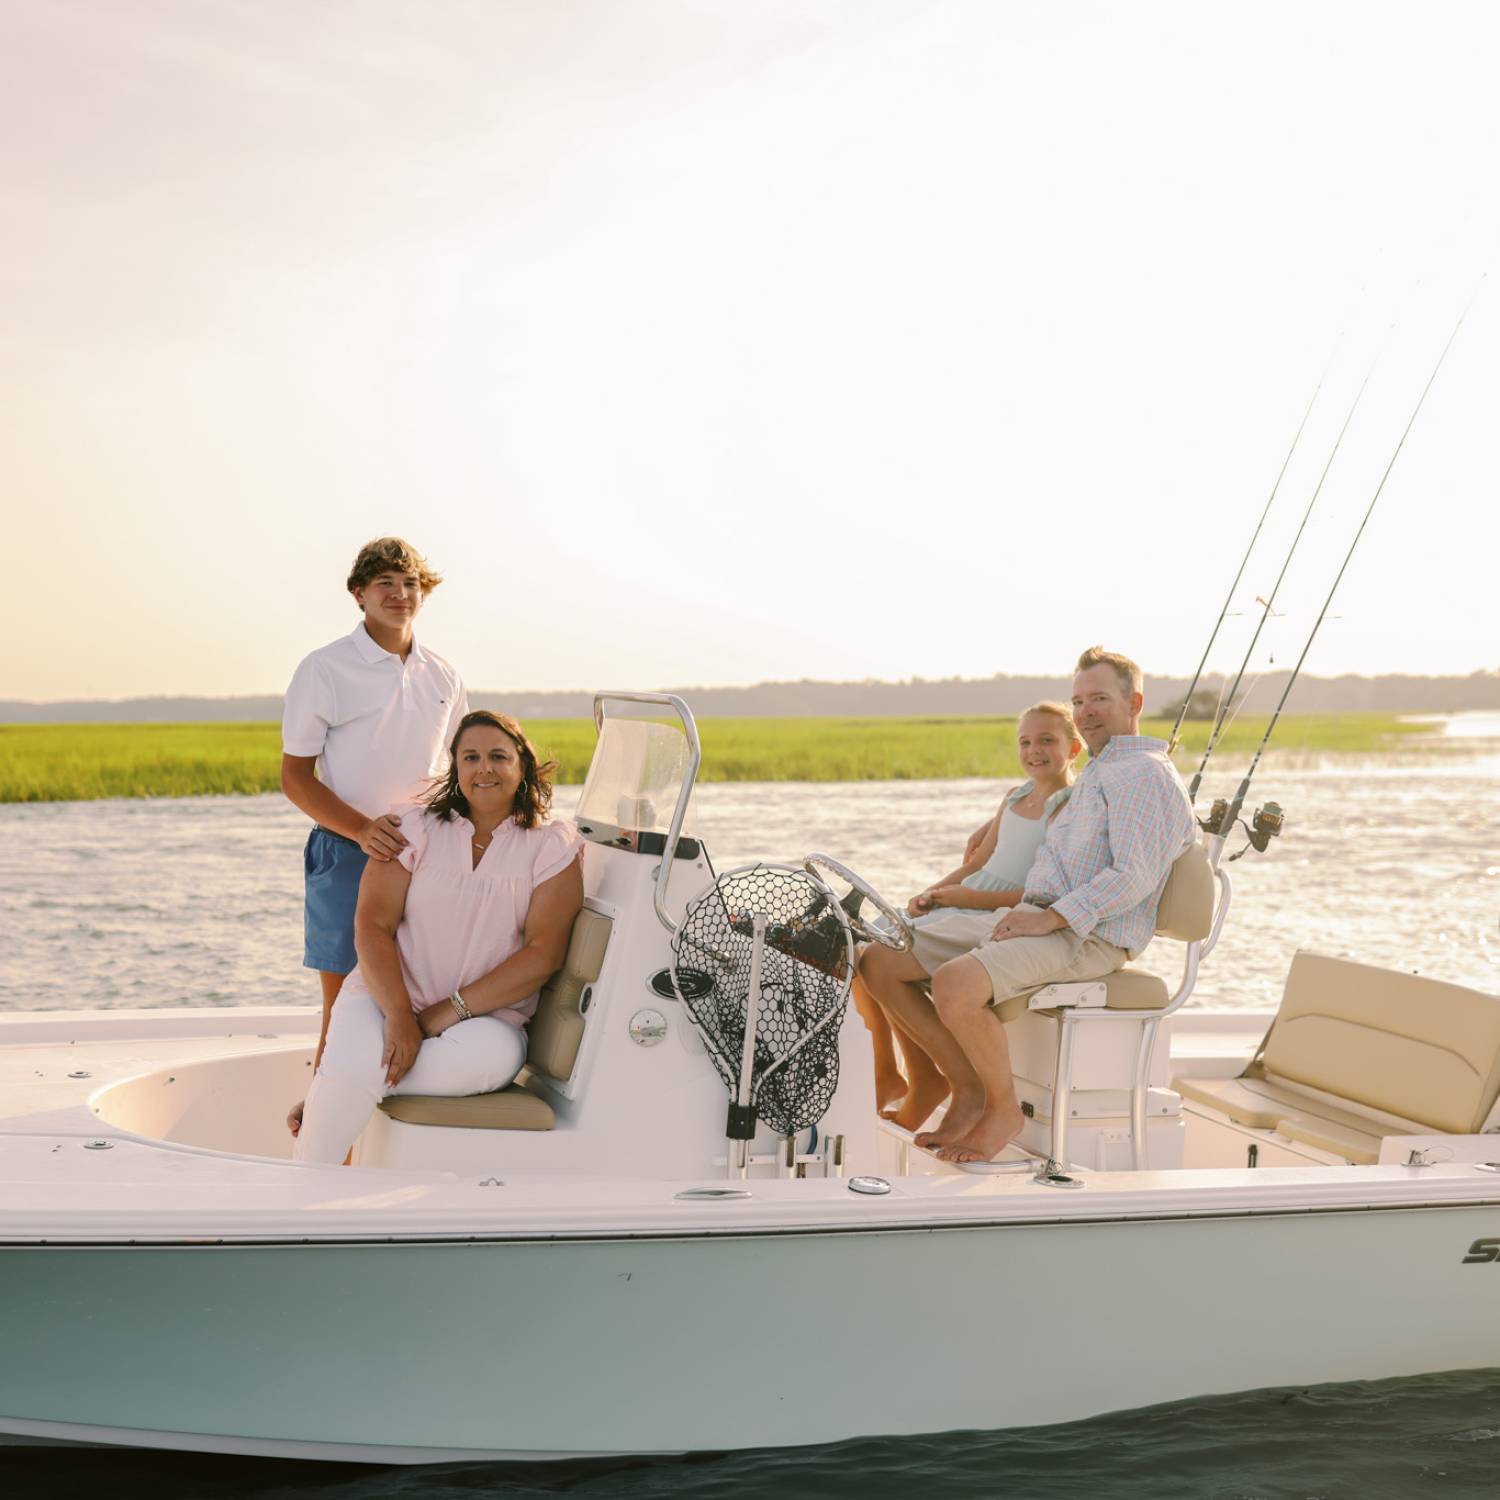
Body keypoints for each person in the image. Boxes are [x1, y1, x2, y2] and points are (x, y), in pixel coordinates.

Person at [860, 647, 1195, 1163]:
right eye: (1079, 700)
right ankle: (961, 1086)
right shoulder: (1103, 771)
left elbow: (1134, 875)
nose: (1086, 711)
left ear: (1135, 703)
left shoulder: (1144, 775)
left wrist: (1049, 917)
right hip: (1037, 919)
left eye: (1100, 699)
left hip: (1089, 935)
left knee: (955, 982)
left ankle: (1001, 1108)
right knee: (879, 960)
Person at [293, 711, 583, 1165]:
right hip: (381, 999)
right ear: (455, 768)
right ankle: (305, 1184)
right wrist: (398, 1016)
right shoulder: (412, 829)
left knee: (473, 1061)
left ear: (522, 765)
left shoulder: (551, 847)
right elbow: (372, 927)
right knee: (355, 1063)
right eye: (470, 757)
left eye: (498, 757)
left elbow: (541, 956)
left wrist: (431, 1021)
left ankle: (334, 1084)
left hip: (486, 1022)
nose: (483, 768)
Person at [281, 538, 467, 1137]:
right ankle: (321, 1132)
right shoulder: (324, 668)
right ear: (359, 594)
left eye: (410, 583)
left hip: (427, 856)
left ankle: (396, 1133)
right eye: (385, 582)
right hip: (348, 852)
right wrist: (363, 830)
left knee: (424, 990)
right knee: (343, 1006)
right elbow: (293, 776)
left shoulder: (443, 673)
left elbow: (461, 769)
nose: (399, 594)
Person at [854, 703, 1082, 1130]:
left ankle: (949, 1081)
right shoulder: (1014, 797)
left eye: (1047, 741)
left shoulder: (1069, 807)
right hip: (969, 897)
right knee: (862, 943)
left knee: (883, 958)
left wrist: (966, 898)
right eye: (1026, 742)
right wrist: (935, 892)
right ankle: (894, 1071)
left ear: (1074, 748)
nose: (1034, 750)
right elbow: (980, 862)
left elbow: (1038, 891)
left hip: (1003, 909)